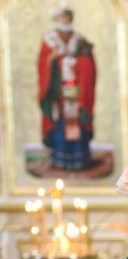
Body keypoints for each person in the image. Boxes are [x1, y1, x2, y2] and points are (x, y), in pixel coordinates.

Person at [38, 5, 97, 171]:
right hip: (58, 91)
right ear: (56, 19)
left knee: (77, 121)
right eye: (62, 17)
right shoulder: (49, 40)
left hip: (78, 91)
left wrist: (80, 63)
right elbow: (43, 64)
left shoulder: (79, 39)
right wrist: (53, 60)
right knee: (59, 122)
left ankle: (79, 159)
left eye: (67, 17)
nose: (65, 20)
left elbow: (89, 64)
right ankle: (60, 158)